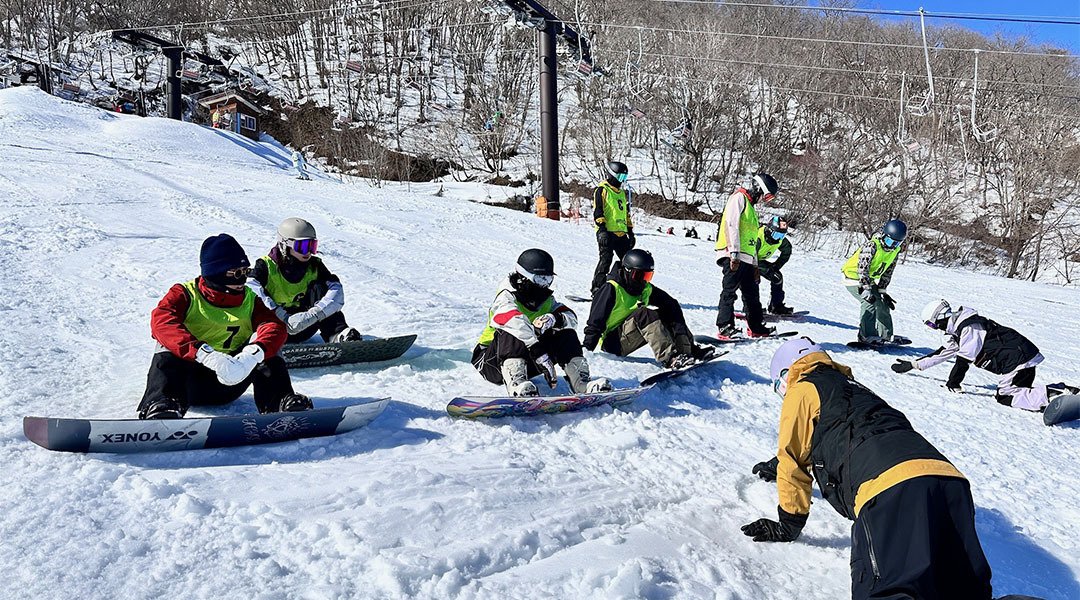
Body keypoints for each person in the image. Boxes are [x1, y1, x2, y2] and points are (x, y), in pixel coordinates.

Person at [743, 338, 992, 599]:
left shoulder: (802, 387)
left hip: (889, 487)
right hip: (947, 480)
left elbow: (793, 455)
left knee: (888, 592)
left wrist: (789, 523)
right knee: (965, 592)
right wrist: (777, 464)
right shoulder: (856, 388)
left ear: (786, 374)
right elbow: (857, 430)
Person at [137, 234, 311, 419]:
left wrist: (252, 355)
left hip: (233, 378)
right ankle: (162, 404)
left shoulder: (250, 299)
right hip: (189, 383)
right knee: (165, 345)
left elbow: (274, 325)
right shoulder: (184, 294)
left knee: (268, 345)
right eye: (236, 274)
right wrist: (204, 354)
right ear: (215, 272)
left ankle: (279, 402)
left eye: (245, 272)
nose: (243, 280)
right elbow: (162, 322)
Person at [892, 300, 1078, 411]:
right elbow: (943, 352)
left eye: (932, 325)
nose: (933, 329)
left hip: (1018, 360)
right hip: (1019, 359)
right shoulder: (958, 330)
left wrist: (953, 383)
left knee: (1005, 396)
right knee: (1018, 393)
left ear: (940, 318)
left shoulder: (970, 327)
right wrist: (913, 365)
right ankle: (1060, 393)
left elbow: (964, 359)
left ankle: (1054, 395)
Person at [472, 249, 611, 397]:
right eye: (540, 279)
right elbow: (512, 320)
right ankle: (517, 385)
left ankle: (580, 383)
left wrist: (555, 318)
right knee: (513, 330)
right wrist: (537, 348)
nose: (544, 285)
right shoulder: (505, 296)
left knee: (565, 331)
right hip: (491, 361)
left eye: (548, 279)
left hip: (532, 357)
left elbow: (571, 318)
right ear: (523, 277)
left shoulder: (546, 300)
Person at [583, 249, 713, 369]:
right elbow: (596, 321)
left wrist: (681, 336)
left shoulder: (645, 288)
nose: (642, 281)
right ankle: (670, 358)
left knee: (667, 310)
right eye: (639, 276)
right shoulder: (611, 288)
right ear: (627, 271)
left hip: (629, 333)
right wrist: (586, 351)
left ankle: (688, 351)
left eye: (647, 276)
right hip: (612, 343)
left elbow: (671, 305)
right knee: (644, 314)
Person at [248, 217, 361, 344]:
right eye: (302, 246)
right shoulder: (266, 265)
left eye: (312, 246)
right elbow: (251, 288)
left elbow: (336, 290)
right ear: (285, 245)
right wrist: (281, 315)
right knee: (252, 300)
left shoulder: (315, 265)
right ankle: (259, 344)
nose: (308, 252)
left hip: (305, 326)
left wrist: (313, 314)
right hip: (274, 327)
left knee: (320, 287)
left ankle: (338, 334)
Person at [715, 173, 779, 339]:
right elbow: (731, 224)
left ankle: (756, 326)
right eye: (765, 196)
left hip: (747, 258)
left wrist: (755, 265)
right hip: (732, 254)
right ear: (758, 189)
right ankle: (724, 326)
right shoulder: (738, 199)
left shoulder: (751, 208)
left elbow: (752, 239)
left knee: (752, 294)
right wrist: (734, 253)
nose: (763, 200)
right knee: (729, 291)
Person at [842, 219, 906, 343]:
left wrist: (882, 290)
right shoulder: (872, 246)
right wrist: (866, 289)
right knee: (869, 302)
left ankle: (886, 335)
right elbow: (862, 268)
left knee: (882, 303)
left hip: (868, 279)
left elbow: (888, 272)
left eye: (896, 244)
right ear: (883, 235)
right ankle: (866, 336)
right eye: (889, 241)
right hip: (853, 277)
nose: (891, 246)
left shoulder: (894, 251)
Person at [590, 161, 636, 297]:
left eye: (624, 178)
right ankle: (597, 288)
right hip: (607, 232)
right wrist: (602, 229)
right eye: (621, 177)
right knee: (606, 260)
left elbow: (625, 214)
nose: (622, 181)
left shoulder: (621, 193)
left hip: (621, 234)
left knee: (628, 262)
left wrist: (630, 232)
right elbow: (598, 211)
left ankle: (625, 287)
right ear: (612, 175)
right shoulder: (602, 190)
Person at [756, 215, 793, 315]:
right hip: (747, 259)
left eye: (782, 235)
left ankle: (776, 306)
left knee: (777, 277)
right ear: (769, 230)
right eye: (777, 235)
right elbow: (751, 256)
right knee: (752, 281)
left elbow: (787, 250)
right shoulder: (758, 237)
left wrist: (776, 266)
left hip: (759, 260)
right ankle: (751, 307)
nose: (779, 239)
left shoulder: (779, 240)